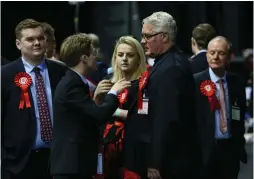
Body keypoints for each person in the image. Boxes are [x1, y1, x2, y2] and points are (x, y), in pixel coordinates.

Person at [50, 33, 131, 179]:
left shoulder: (74, 81)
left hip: (76, 164)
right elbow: (99, 115)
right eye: (94, 54)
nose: (97, 58)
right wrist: (113, 92)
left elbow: (85, 114)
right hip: (71, 165)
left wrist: (98, 98)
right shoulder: (72, 84)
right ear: (84, 58)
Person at [1, 18, 67, 179]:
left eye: (40, 38)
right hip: (19, 163)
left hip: (56, 160)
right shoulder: (5, 75)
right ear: (18, 44)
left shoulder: (61, 72)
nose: (37, 43)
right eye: (30, 39)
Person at [140, 11, 202, 179]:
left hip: (172, 163)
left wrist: (155, 161)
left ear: (164, 37)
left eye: (147, 36)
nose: (143, 41)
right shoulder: (169, 62)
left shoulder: (172, 68)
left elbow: (166, 118)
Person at [194, 36, 247, 179]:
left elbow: (239, 115)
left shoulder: (237, 82)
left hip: (230, 152)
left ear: (230, 57)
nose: (215, 57)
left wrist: (239, 146)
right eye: (212, 53)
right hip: (204, 153)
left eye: (221, 53)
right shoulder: (195, 82)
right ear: (206, 55)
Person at [94, 36, 146, 179]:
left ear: (138, 59)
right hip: (106, 149)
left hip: (132, 149)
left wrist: (112, 112)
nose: (124, 59)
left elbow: (142, 114)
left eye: (130, 55)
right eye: (120, 55)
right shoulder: (107, 81)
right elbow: (95, 113)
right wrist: (97, 97)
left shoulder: (144, 84)